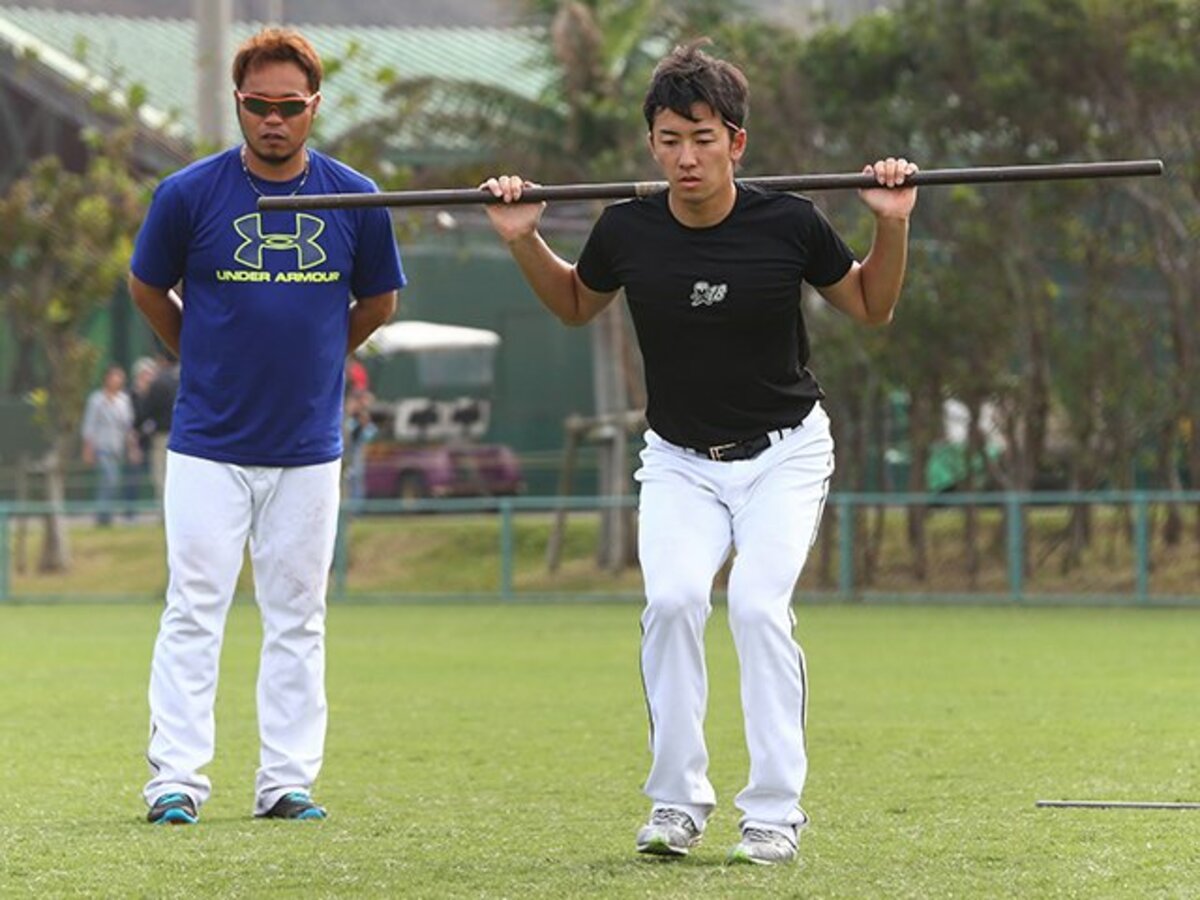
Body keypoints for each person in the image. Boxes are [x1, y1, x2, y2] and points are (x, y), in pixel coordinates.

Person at [482, 40, 917, 865]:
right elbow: (576, 304)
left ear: (736, 142)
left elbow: (869, 305)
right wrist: (520, 238)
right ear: (651, 143)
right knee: (675, 603)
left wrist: (889, 226)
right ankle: (677, 804)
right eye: (671, 140)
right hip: (680, 458)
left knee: (756, 607)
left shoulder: (789, 222)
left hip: (784, 454)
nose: (687, 157)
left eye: (704, 138)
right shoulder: (626, 230)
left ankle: (774, 812)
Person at [128, 27, 404, 826]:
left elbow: (379, 301)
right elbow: (149, 287)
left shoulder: (355, 196)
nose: (273, 120)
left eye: (289, 106)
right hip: (208, 446)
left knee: (298, 614)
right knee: (194, 607)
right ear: (239, 104)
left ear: (314, 107)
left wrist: (320, 360)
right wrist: (200, 357)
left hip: (308, 451)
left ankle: (284, 783)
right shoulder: (187, 194)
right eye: (258, 105)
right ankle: (174, 781)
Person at [80, 363, 137, 527]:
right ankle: (103, 516)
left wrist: (132, 448)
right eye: (115, 376)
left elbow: (128, 426)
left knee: (110, 481)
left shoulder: (124, 400)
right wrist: (88, 448)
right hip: (101, 446)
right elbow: (89, 425)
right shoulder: (96, 399)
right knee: (109, 478)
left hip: (117, 447)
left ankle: (105, 513)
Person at [140, 352, 180, 506]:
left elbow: (147, 411)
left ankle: (163, 510)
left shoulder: (159, 382)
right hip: (182, 435)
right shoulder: (184, 379)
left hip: (162, 434)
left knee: (161, 474)